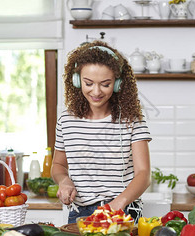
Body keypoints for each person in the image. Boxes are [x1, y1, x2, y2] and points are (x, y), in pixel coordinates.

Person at [51, 41, 151, 224]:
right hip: (80, 213)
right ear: (76, 80)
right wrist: (64, 181)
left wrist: (116, 204)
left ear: (118, 84)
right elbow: (58, 165)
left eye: (105, 84)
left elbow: (144, 174)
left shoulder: (132, 120)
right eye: (88, 83)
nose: (96, 91)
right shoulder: (66, 120)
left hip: (123, 210)